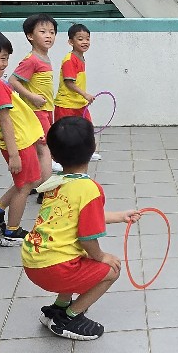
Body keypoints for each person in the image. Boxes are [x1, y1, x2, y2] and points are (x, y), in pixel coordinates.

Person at [22, 117, 140, 340]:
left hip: (33, 260)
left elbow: (78, 218)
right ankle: (69, 318)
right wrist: (102, 257)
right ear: (93, 147)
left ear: (53, 155)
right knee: (112, 270)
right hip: (53, 269)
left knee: (76, 254)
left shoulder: (56, 182)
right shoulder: (89, 189)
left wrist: (120, 216)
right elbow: (87, 236)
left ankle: (58, 308)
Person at [0, 28, 45, 246]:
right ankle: (12, 231)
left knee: (29, 180)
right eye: (2, 58)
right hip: (18, 144)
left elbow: (14, 115)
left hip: (21, 141)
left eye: (7, 58)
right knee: (25, 186)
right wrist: (14, 154)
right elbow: (5, 120)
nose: (5, 64)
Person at [10, 13, 61, 179]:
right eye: (43, 32)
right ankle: (44, 186)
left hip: (45, 109)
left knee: (41, 147)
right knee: (44, 147)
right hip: (36, 110)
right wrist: (32, 97)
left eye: (52, 32)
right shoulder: (31, 60)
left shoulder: (44, 57)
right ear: (30, 36)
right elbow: (13, 81)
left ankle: (36, 180)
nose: (49, 36)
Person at [53, 23, 101, 161]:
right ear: (71, 42)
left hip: (79, 103)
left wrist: (83, 97)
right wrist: (85, 94)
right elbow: (69, 82)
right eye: (80, 39)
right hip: (66, 104)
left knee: (87, 129)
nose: (85, 42)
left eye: (87, 39)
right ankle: (59, 159)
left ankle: (86, 153)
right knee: (64, 134)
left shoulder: (80, 57)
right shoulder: (69, 60)